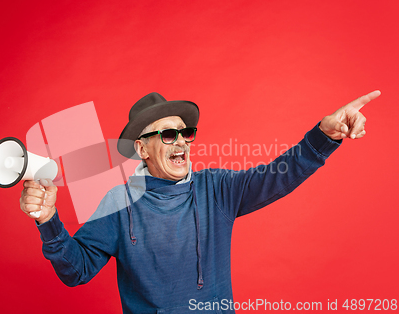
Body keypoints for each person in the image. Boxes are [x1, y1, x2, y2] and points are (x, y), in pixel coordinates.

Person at [20, 91, 380, 313]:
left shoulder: (216, 189)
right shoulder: (118, 203)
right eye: (168, 134)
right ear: (142, 149)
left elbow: (277, 176)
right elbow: (75, 270)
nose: (181, 142)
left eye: (185, 132)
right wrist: (48, 219)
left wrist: (324, 137)